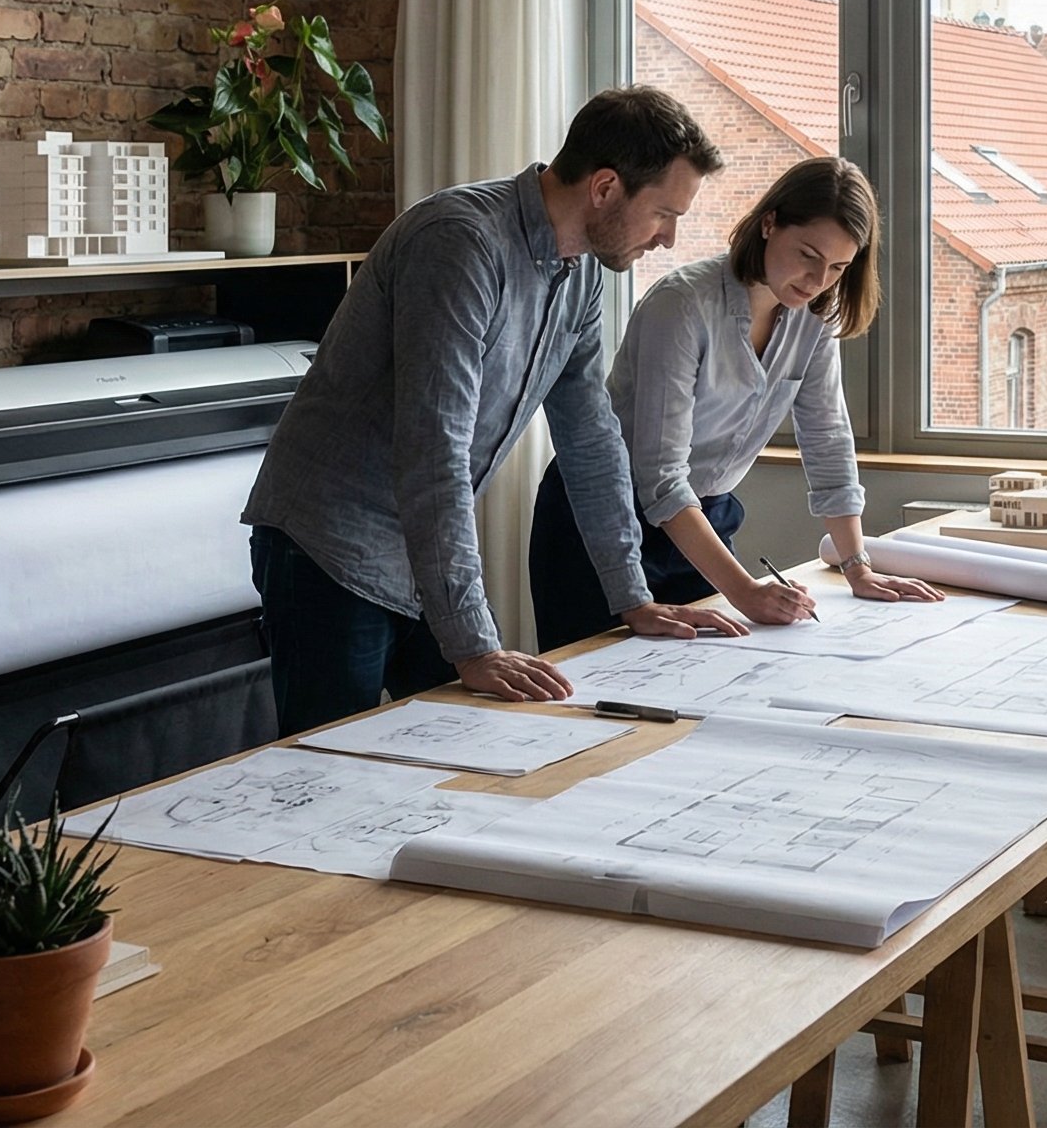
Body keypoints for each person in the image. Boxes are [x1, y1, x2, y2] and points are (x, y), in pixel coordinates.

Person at [243, 86, 749, 731]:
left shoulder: (582, 273)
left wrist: (633, 598)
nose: (670, 239)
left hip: (422, 550)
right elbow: (435, 449)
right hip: (329, 549)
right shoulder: (460, 243)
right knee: (325, 775)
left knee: (460, 746)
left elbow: (591, 441)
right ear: (603, 188)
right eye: (662, 214)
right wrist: (474, 645)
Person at [530, 156, 941, 654]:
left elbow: (828, 440)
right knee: (599, 687)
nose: (817, 280)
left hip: (704, 518)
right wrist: (744, 590)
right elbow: (661, 479)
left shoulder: (811, 320)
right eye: (808, 254)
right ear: (769, 223)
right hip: (602, 522)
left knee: (703, 676)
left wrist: (858, 567)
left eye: (838, 267)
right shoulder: (682, 305)